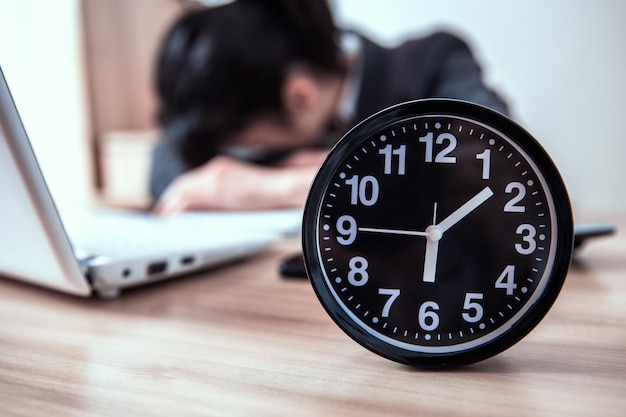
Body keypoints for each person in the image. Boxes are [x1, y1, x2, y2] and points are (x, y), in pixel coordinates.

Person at [150, 0, 508, 215]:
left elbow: (497, 169)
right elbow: (167, 163)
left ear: (299, 95)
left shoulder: (434, 64)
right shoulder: (249, 98)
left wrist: (280, 187)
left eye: (239, 138)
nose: (238, 152)